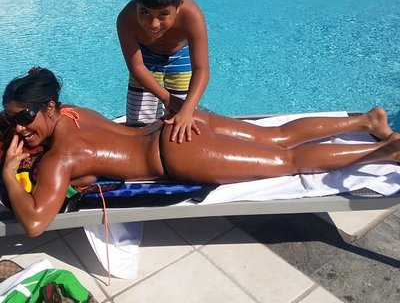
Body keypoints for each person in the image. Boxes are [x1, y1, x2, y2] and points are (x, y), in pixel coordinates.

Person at [2, 68, 400, 237]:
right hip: (180, 122)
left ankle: (386, 153)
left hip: (179, 152)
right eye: (12, 121)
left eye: (25, 118)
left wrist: (9, 175)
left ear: (49, 107)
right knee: (277, 135)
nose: (20, 128)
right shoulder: (73, 113)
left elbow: (35, 223)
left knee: (288, 161)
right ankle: (367, 121)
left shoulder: (61, 157)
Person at [117, 0, 209, 143]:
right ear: (136, 3)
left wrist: (187, 110)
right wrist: (166, 98)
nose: (154, 24)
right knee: (138, 128)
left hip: (179, 57)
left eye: (163, 15)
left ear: (179, 6)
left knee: (182, 125)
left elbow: (201, 69)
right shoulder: (126, 19)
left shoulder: (192, 17)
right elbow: (137, 66)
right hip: (146, 59)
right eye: (145, 13)